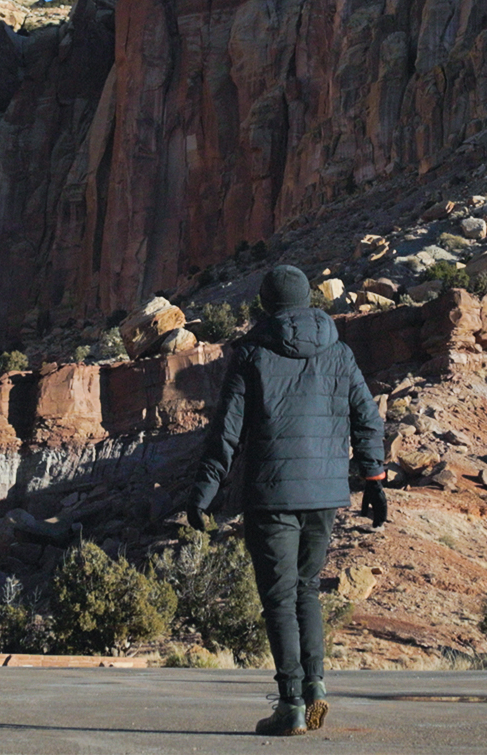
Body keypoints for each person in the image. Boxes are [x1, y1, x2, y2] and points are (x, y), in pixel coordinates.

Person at [187, 264, 387, 737]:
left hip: (271, 493)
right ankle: (315, 695)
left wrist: (204, 494)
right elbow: (367, 417)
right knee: (306, 591)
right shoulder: (339, 351)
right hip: (323, 494)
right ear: (306, 301)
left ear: (266, 305)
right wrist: (375, 479)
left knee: (279, 599)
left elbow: (226, 434)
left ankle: (291, 705)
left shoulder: (253, 353)